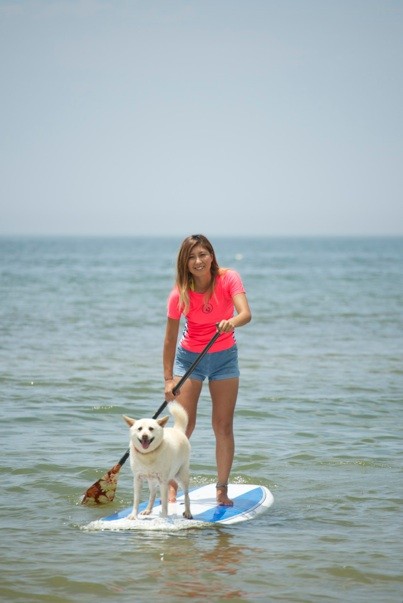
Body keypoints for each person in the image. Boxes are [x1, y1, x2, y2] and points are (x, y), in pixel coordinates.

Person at [163, 234, 252, 506]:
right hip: (190, 359)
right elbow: (169, 339)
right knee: (183, 426)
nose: (198, 261)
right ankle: (171, 484)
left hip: (224, 357)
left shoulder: (229, 278)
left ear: (211, 255)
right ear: (184, 263)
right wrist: (168, 379)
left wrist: (231, 322)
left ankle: (222, 488)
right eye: (191, 257)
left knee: (223, 426)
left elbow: (245, 313)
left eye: (203, 254)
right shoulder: (180, 293)